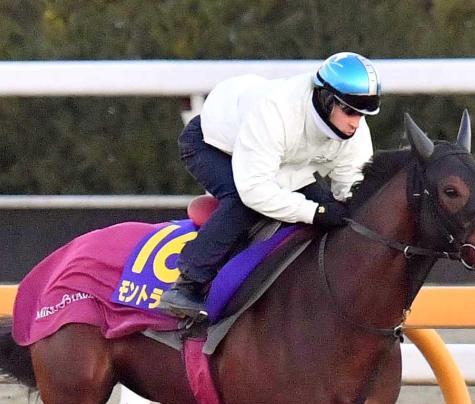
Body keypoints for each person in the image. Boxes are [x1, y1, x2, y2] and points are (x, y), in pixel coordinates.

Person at [156, 52, 381, 319]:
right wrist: (315, 212)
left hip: (281, 164)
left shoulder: (354, 131)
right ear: (326, 97)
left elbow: (353, 186)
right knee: (243, 204)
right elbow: (254, 190)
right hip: (213, 146)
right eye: (349, 111)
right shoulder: (277, 111)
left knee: (332, 215)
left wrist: (342, 209)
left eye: (362, 114)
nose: (355, 122)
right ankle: (187, 284)